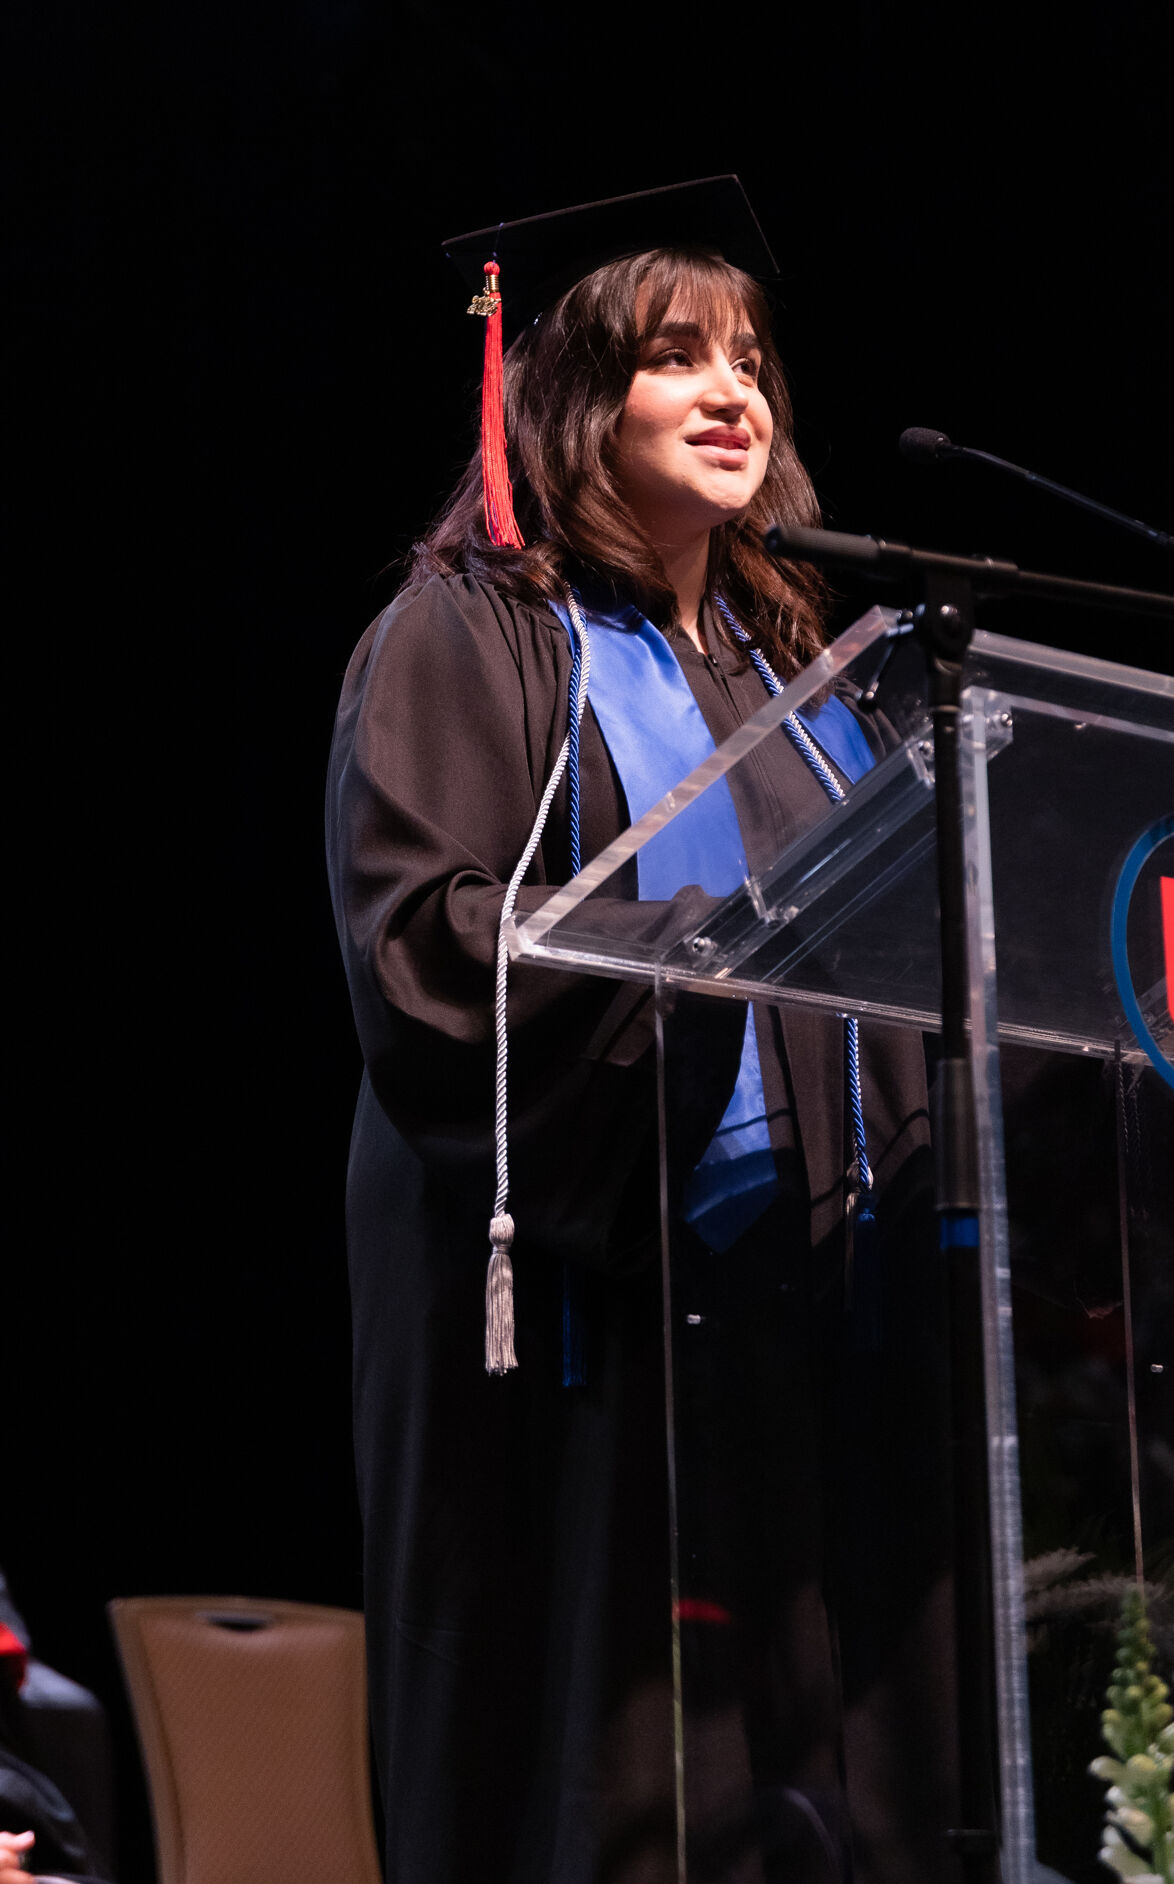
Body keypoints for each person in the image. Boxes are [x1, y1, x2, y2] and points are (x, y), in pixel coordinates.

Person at [326, 180, 947, 1884]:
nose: (735, 390)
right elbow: (428, 952)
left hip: (795, 1304)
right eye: (678, 357)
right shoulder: (472, 636)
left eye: (751, 358)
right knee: (605, 1751)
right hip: (587, 1297)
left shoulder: (797, 671)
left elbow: (899, 968)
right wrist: (701, 957)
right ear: (579, 398)